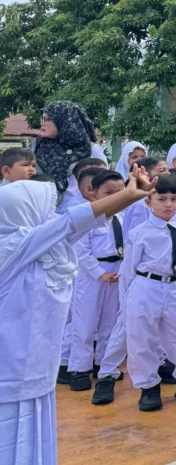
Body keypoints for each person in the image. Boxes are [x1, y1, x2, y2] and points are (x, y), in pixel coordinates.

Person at [0, 169, 156, 465]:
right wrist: (127, 194)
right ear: (20, 211)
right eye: (41, 209)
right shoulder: (12, 246)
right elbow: (71, 222)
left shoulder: (37, 247)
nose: (48, 217)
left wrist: (126, 198)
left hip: (35, 371)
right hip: (9, 375)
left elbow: (76, 227)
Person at [121, 171, 176, 411]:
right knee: (142, 337)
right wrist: (128, 299)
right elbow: (129, 268)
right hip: (145, 285)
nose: (168, 204)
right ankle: (148, 386)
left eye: (173, 199)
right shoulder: (140, 232)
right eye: (161, 199)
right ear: (148, 201)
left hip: (173, 286)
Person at [65, 169, 125, 392]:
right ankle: (79, 369)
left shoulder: (121, 217)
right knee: (85, 322)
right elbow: (81, 250)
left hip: (116, 271)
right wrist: (100, 272)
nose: (115, 197)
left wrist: (121, 271)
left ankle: (105, 364)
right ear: (94, 194)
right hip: (92, 274)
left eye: (120, 192)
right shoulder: (87, 217)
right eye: (109, 192)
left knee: (110, 321)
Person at [32, 101, 97, 202]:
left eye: (48, 119)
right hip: (39, 208)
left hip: (77, 212)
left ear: (65, 121)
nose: (42, 123)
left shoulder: (90, 150)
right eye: (42, 119)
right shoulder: (37, 145)